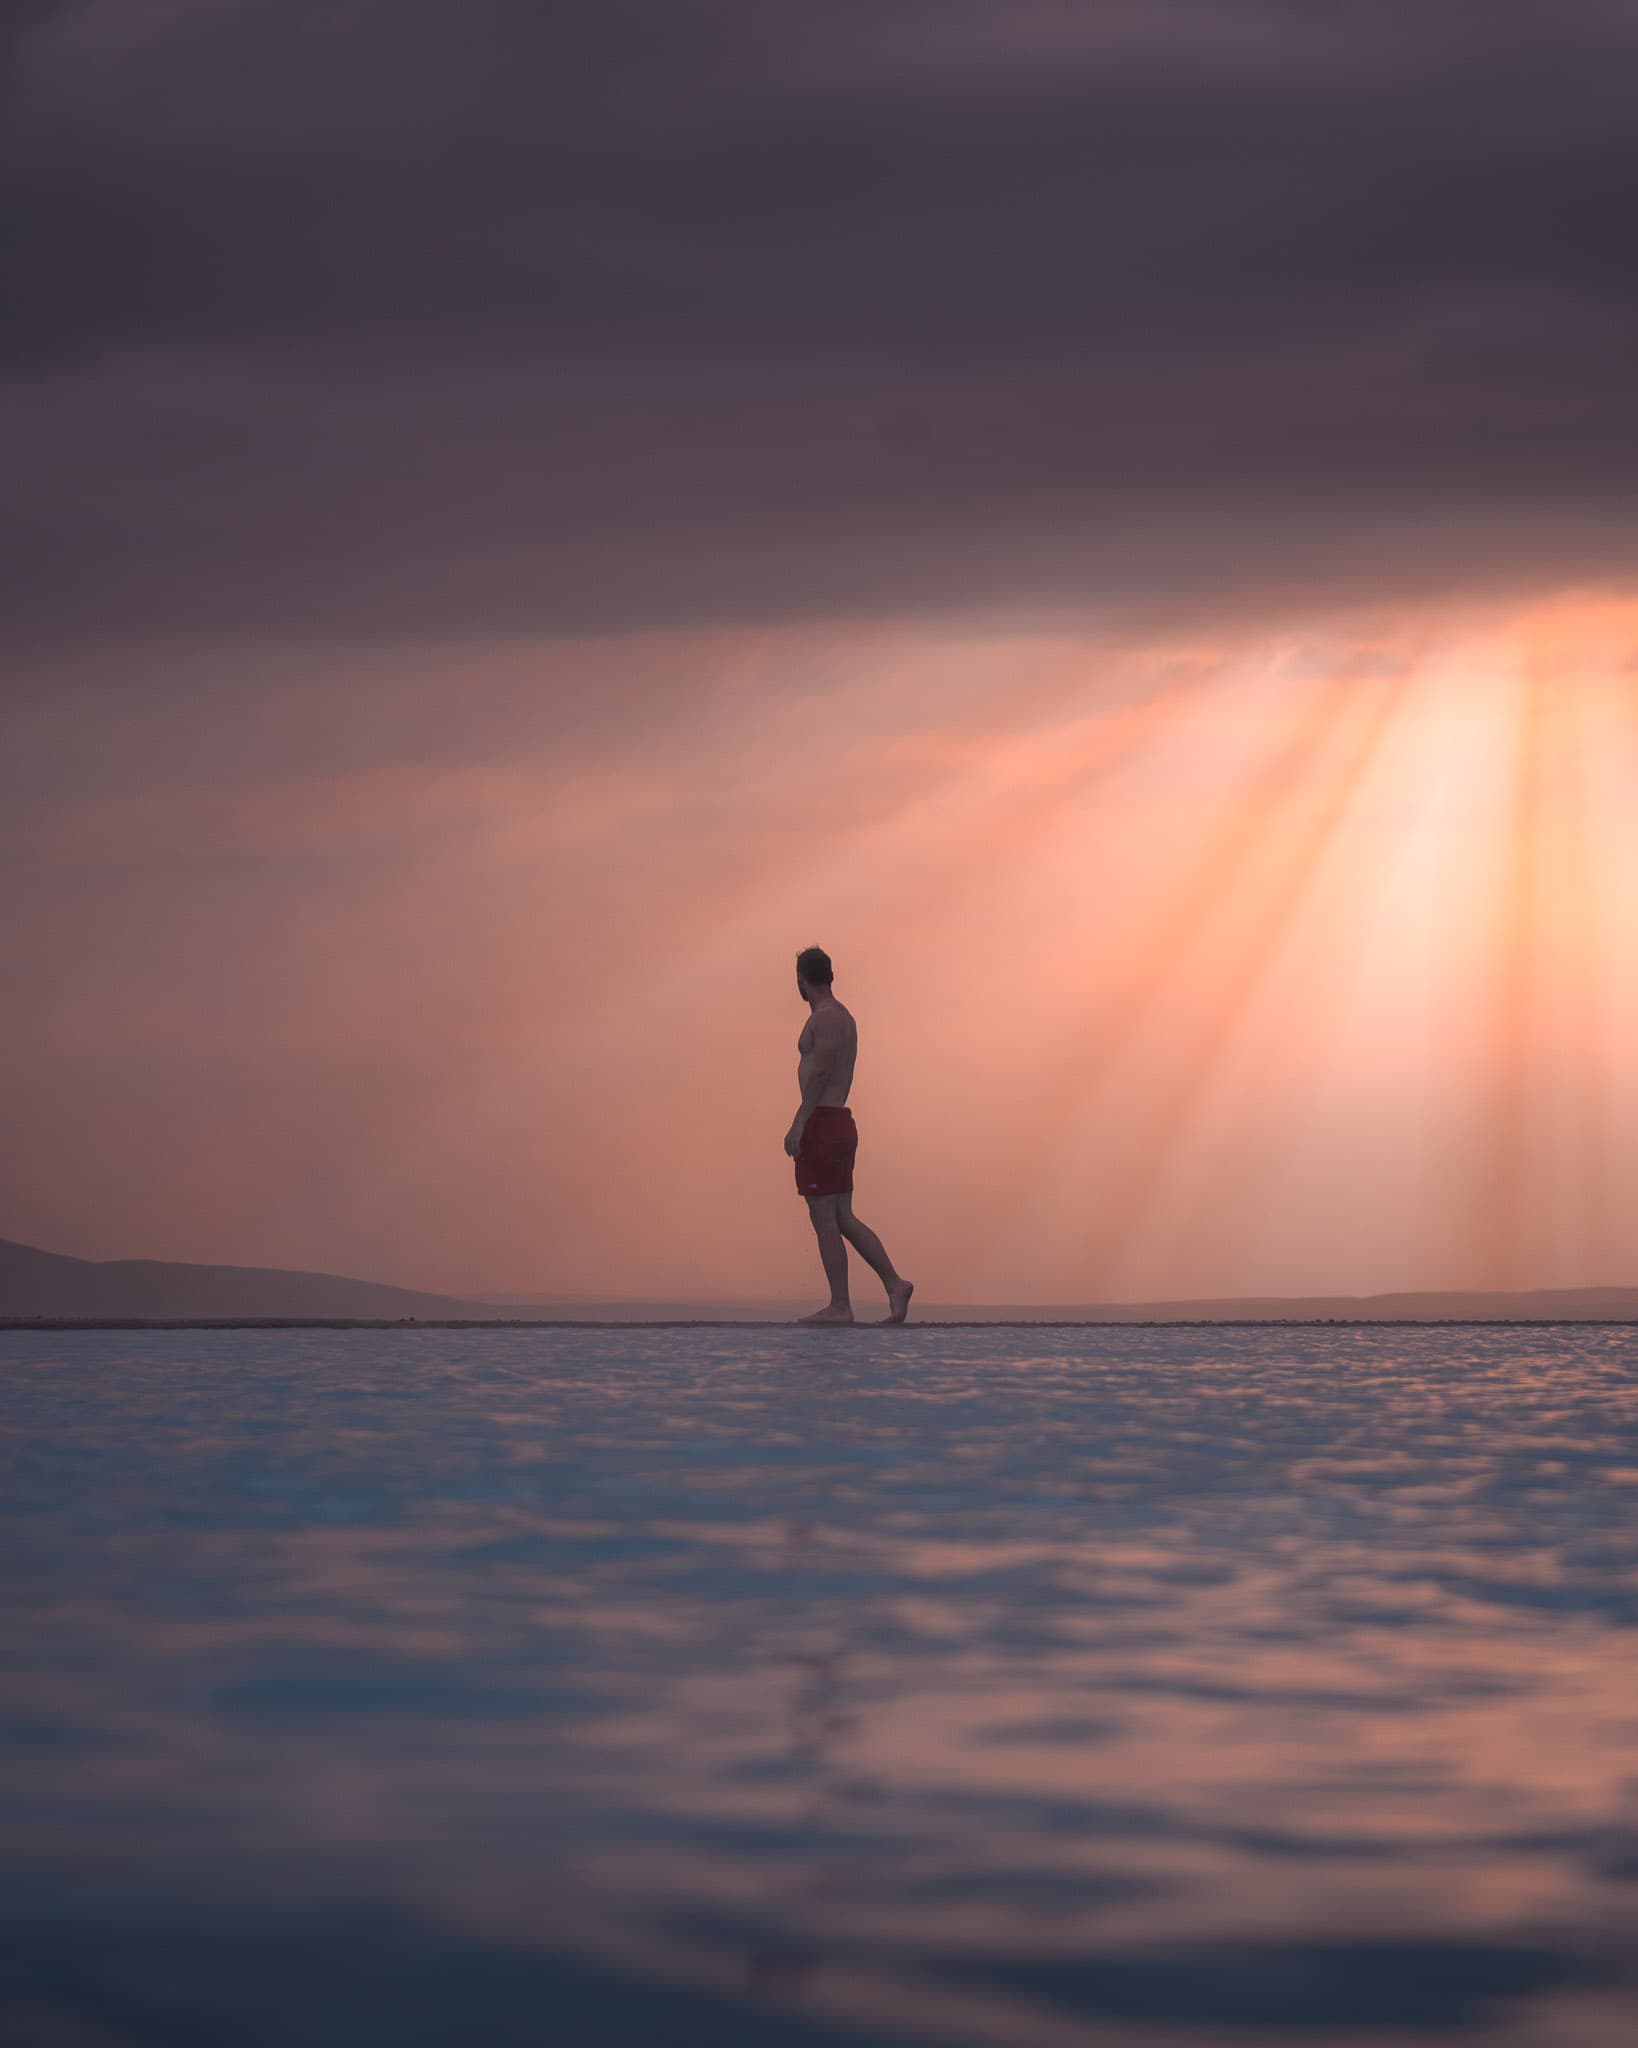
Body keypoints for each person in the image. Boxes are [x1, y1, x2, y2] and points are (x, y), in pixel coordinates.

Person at [784, 946, 913, 1326]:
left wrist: (800, 1120)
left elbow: (822, 1070)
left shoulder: (826, 1018)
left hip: (823, 1121)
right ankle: (894, 1283)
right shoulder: (845, 1017)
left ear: (802, 981)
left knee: (824, 1216)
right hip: (838, 1120)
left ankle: (840, 1305)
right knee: (842, 1215)